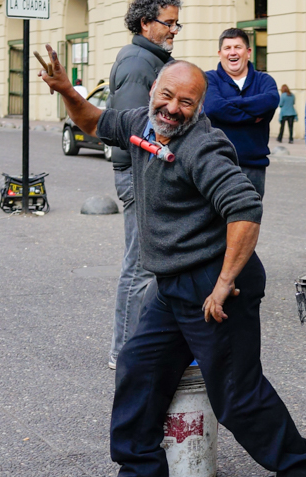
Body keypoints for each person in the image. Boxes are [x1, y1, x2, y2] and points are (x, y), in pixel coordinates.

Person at [36, 47, 306, 477]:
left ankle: (302, 469)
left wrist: (225, 282)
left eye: (186, 102)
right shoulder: (138, 124)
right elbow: (94, 123)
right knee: (139, 366)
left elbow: (245, 209)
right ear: (153, 90)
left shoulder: (201, 146)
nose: (173, 108)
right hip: (172, 284)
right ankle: (142, 474)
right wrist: (68, 92)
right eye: (167, 96)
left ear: (199, 108)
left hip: (216, 284)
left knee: (234, 392)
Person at [105, 0, 178, 370]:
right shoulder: (138, 63)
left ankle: (138, 346)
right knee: (139, 265)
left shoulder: (149, 59)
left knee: (147, 264)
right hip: (140, 172)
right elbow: (134, 131)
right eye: (169, 24)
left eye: (176, 25)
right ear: (147, 23)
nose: (173, 31)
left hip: (145, 172)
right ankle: (124, 353)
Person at [204, 29, 279, 198]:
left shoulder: (264, 80)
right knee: (215, 222)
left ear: (248, 52)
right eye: (227, 48)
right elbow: (214, 107)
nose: (232, 52)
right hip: (217, 164)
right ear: (220, 53)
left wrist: (231, 102)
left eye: (238, 47)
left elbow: (271, 101)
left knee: (249, 222)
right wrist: (253, 116)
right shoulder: (209, 79)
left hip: (254, 167)